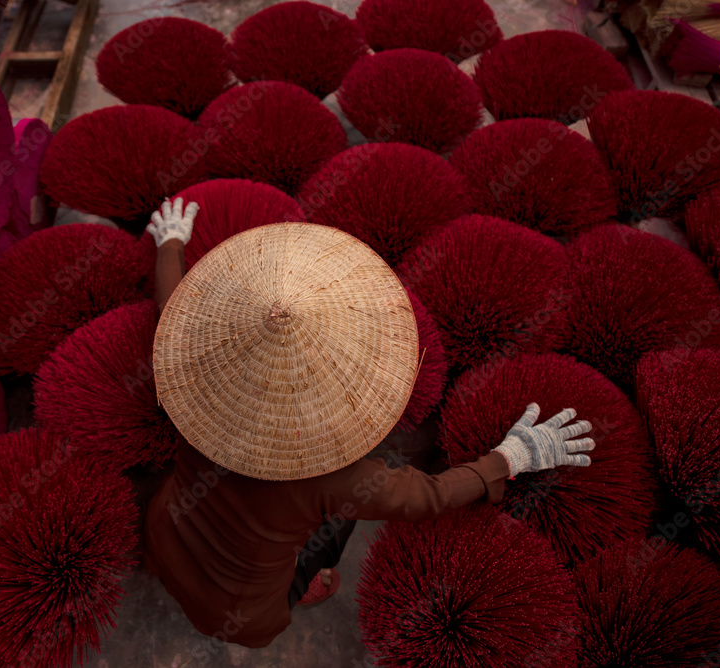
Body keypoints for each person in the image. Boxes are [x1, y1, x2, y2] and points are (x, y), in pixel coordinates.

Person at [141, 197, 596, 650]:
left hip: (163, 536)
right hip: (242, 614)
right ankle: (313, 577)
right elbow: (431, 496)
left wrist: (171, 244)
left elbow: (172, 316)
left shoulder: (193, 374)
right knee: (340, 523)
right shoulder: (340, 477)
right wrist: (513, 456)